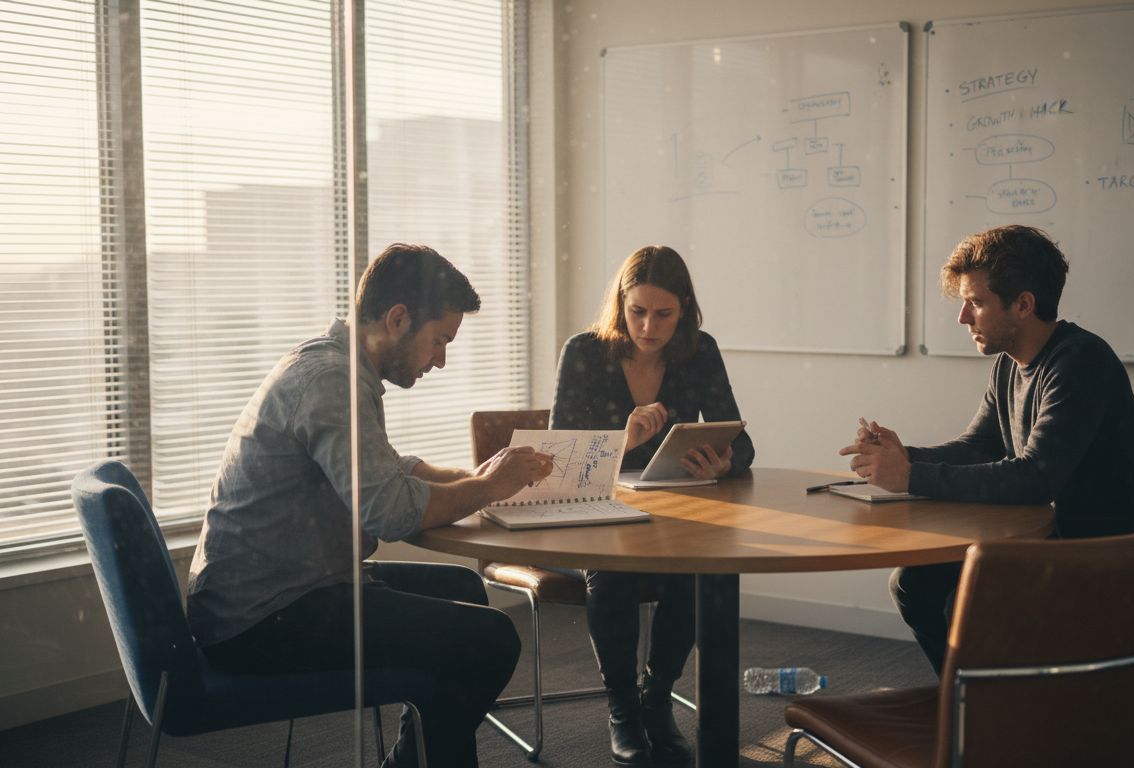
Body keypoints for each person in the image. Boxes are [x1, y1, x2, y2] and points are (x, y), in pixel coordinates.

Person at [186, 243, 553, 768]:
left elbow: (386, 470)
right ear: (398, 319)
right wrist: (489, 488)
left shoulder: (336, 366)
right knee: (489, 640)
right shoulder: (331, 383)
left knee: (466, 589)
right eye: (440, 341)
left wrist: (479, 476)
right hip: (264, 618)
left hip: (279, 588)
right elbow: (388, 511)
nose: (442, 360)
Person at [839, 225, 1134, 675]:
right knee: (914, 583)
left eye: (975, 303)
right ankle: (972, 713)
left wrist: (911, 477)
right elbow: (978, 446)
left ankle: (1001, 718)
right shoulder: (1008, 366)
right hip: (1056, 546)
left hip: (1109, 564)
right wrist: (907, 457)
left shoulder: (1081, 363)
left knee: (973, 598)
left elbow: (1036, 477)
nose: (962, 318)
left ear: (1023, 305)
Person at [551, 244, 754, 766]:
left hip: (670, 516)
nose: (648, 326)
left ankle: (657, 694)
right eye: (637, 311)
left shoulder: (699, 350)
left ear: (684, 307)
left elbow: (743, 442)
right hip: (591, 516)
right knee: (613, 572)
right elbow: (559, 458)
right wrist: (623, 439)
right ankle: (622, 708)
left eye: (663, 314)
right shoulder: (584, 352)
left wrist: (721, 462)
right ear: (620, 304)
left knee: (698, 571)